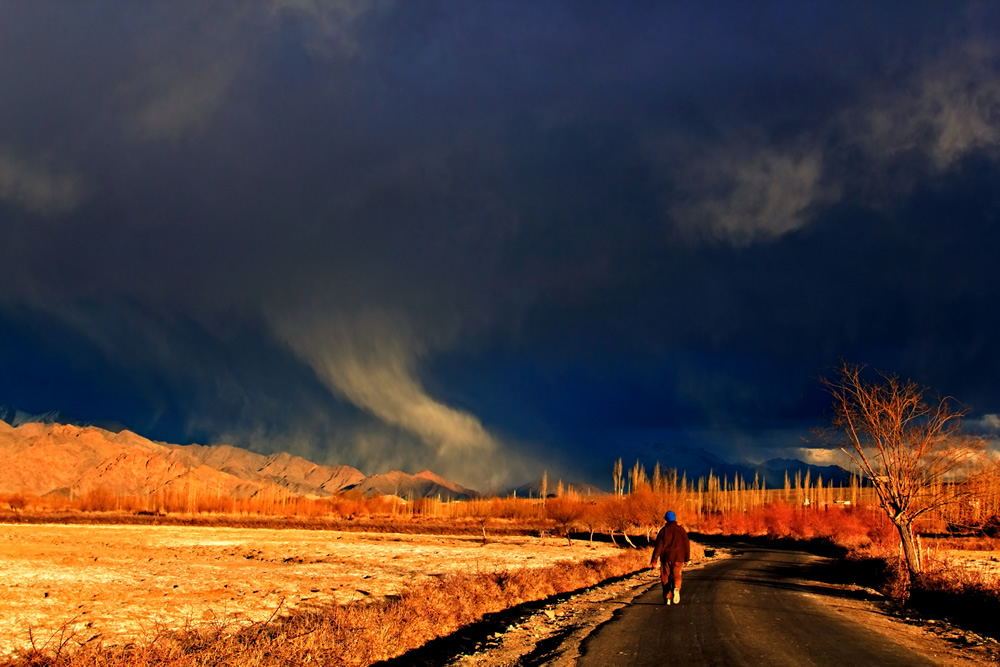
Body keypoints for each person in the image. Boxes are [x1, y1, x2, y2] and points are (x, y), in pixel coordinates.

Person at [650, 510, 690, 605]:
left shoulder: (663, 531)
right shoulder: (681, 530)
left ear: (666, 519)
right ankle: (676, 587)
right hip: (679, 557)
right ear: (675, 518)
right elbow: (686, 545)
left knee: (665, 577)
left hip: (666, 558)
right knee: (676, 575)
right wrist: (686, 558)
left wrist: (654, 560)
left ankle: (667, 598)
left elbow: (658, 547)